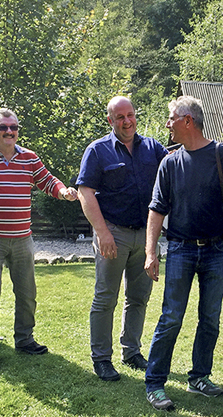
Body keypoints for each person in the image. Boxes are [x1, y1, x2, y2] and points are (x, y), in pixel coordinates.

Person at [143, 95, 223, 411]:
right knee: (171, 318)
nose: (168, 124)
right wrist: (151, 252)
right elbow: (156, 209)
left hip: (216, 250)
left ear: (187, 120)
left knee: (210, 319)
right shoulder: (169, 163)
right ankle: (154, 383)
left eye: (171, 118)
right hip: (180, 249)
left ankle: (199, 377)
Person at [0, 108, 78, 371]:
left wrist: (63, 191)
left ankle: (24, 339)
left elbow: (47, 181)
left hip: (22, 237)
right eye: (3, 127)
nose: (9, 131)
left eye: (14, 127)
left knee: (27, 293)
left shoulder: (28, 158)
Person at [76, 96, 168, 381]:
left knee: (139, 297)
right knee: (106, 298)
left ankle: (131, 351)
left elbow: (175, 171)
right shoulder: (98, 150)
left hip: (146, 235)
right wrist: (102, 232)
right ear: (110, 121)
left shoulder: (153, 148)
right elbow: (85, 192)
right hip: (113, 233)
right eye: (120, 117)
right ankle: (102, 358)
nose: (127, 121)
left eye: (130, 115)